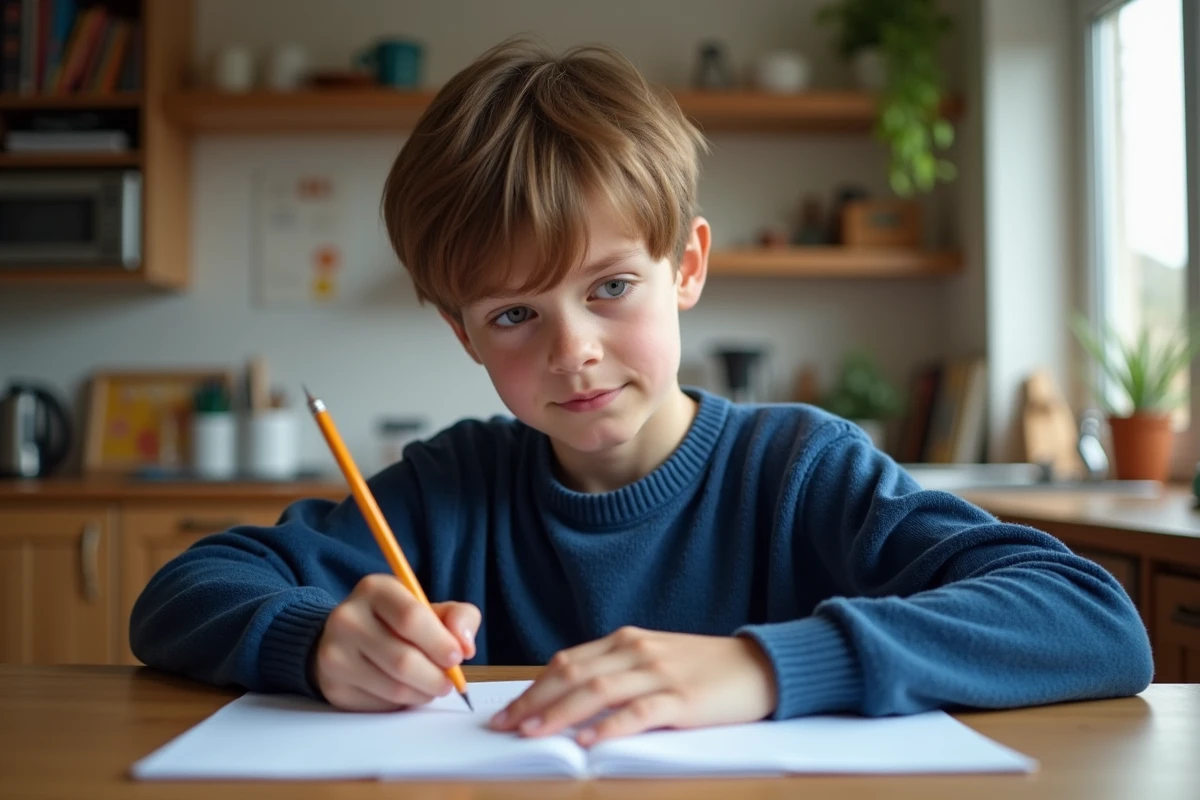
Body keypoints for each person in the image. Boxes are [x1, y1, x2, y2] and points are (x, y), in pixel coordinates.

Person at [131, 38, 1152, 748]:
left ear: (688, 267)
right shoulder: (455, 486)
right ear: (461, 332)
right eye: (514, 315)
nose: (575, 350)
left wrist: (761, 667)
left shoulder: (800, 468)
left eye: (612, 287)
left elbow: (1089, 616)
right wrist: (314, 640)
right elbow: (181, 593)